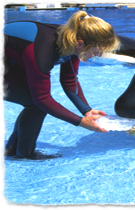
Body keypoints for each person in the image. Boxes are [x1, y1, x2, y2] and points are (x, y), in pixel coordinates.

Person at [0, 11, 120, 159]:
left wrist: (87, 111)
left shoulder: (73, 40)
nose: (100, 55)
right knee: (35, 103)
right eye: (97, 51)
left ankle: (12, 151)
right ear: (81, 43)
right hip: (8, 63)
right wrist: (81, 122)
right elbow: (42, 98)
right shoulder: (42, 47)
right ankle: (23, 154)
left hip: (10, 62)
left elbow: (69, 80)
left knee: (33, 101)